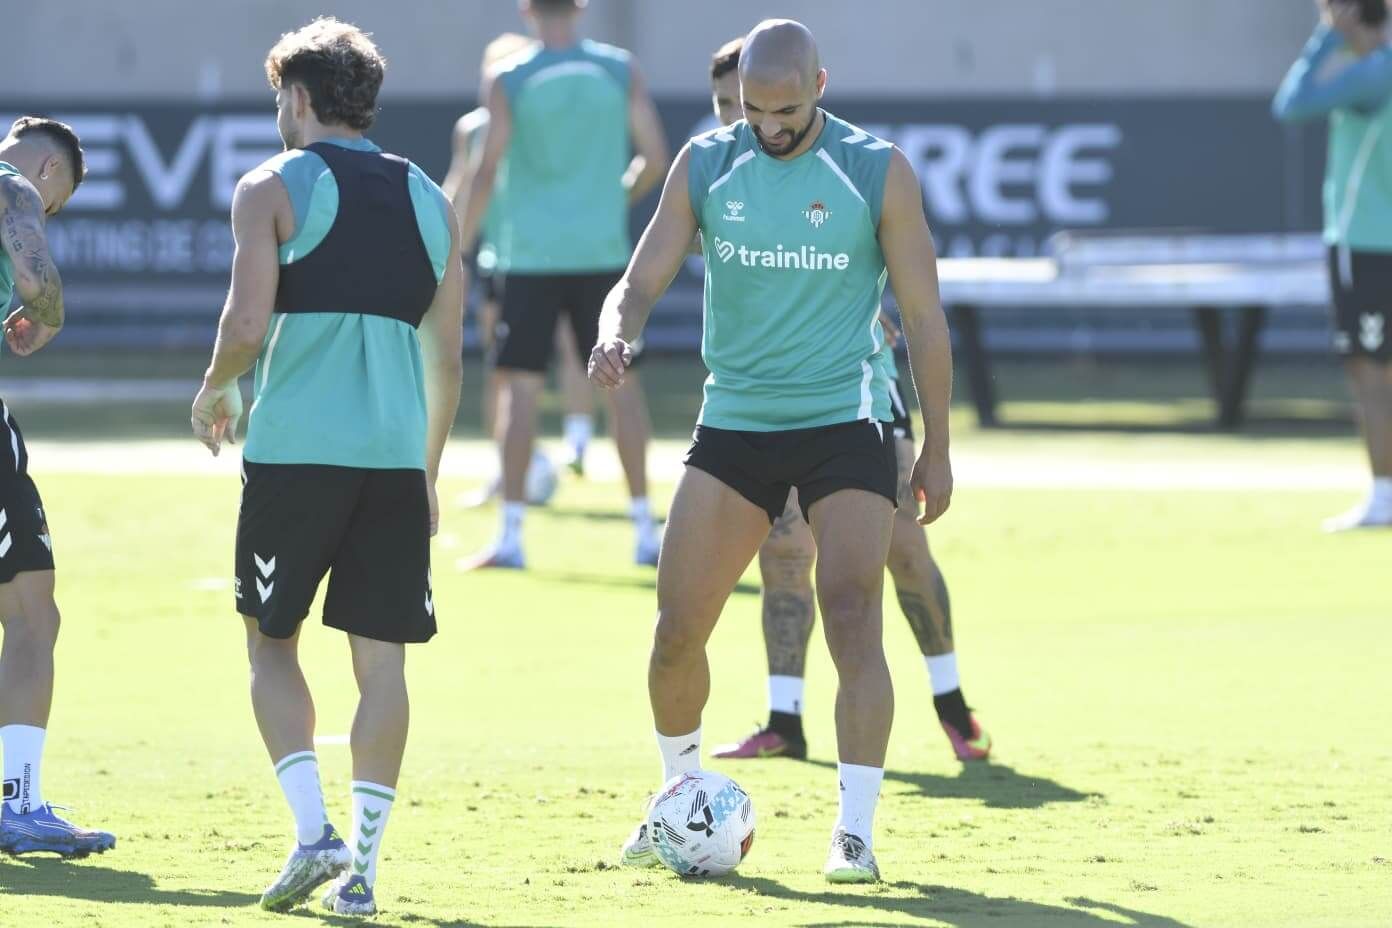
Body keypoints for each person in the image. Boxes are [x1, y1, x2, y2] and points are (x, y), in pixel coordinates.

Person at [594, 19, 954, 883]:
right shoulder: (709, 163)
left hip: (847, 419)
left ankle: (854, 834)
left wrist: (938, 444)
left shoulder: (877, 170)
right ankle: (681, 803)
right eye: (754, 109)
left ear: (820, 86)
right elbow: (639, 282)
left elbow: (926, 316)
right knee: (677, 629)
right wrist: (617, 333)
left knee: (852, 613)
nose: (770, 126)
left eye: (786, 109)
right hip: (738, 422)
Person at [190, 17, 463, 917]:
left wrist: (214, 391)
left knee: (271, 644)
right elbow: (449, 360)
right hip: (392, 463)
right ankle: (366, 878)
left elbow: (243, 326)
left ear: (298, 98)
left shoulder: (271, 185)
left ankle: (312, 834)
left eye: (280, 96)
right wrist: (426, 472)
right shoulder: (432, 197)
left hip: (296, 457)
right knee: (382, 669)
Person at [702, 38, 990, 765]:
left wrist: (872, 315)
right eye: (737, 109)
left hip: (861, 396)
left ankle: (952, 701)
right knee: (785, 554)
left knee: (903, 552)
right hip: (766, 406)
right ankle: (785, 716)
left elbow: (895, 288)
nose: (758, 126)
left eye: (771, 109)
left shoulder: (853, 168)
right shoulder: (721, 169)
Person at [456, 0, 670, 569]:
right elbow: (655, 159)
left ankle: (512, 536)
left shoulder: (510, 77)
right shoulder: (619, 68)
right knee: (623, 390)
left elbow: (486, 166)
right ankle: (646, 532)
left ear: (526, 10)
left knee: (520, 390)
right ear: (579, 8)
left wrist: (456, 250)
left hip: (528, 258)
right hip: (601, 254)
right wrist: (608, 200)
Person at [0, 117, 115, 858]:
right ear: (45, 172)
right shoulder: (11, 187)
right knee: (32, 613)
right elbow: (38, 283)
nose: (48, 213)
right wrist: (48, 319)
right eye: (58, 202)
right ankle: (17, 800)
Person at [442, 32, 597, 494]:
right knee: (502, 367)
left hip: (542, 254)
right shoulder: (471, 128)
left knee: (573, 345)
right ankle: (506, 466)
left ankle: (578, 439)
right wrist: (452, 243)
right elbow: (461, 182)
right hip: (494, 256)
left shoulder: (544, 122)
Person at [1275, 0, 1392, 531]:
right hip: (1372, 243)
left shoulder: (1374, 74)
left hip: (1366, 243)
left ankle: (1385, 496)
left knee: (1371, 374)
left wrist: (1324, 40)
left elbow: (1292, 104)